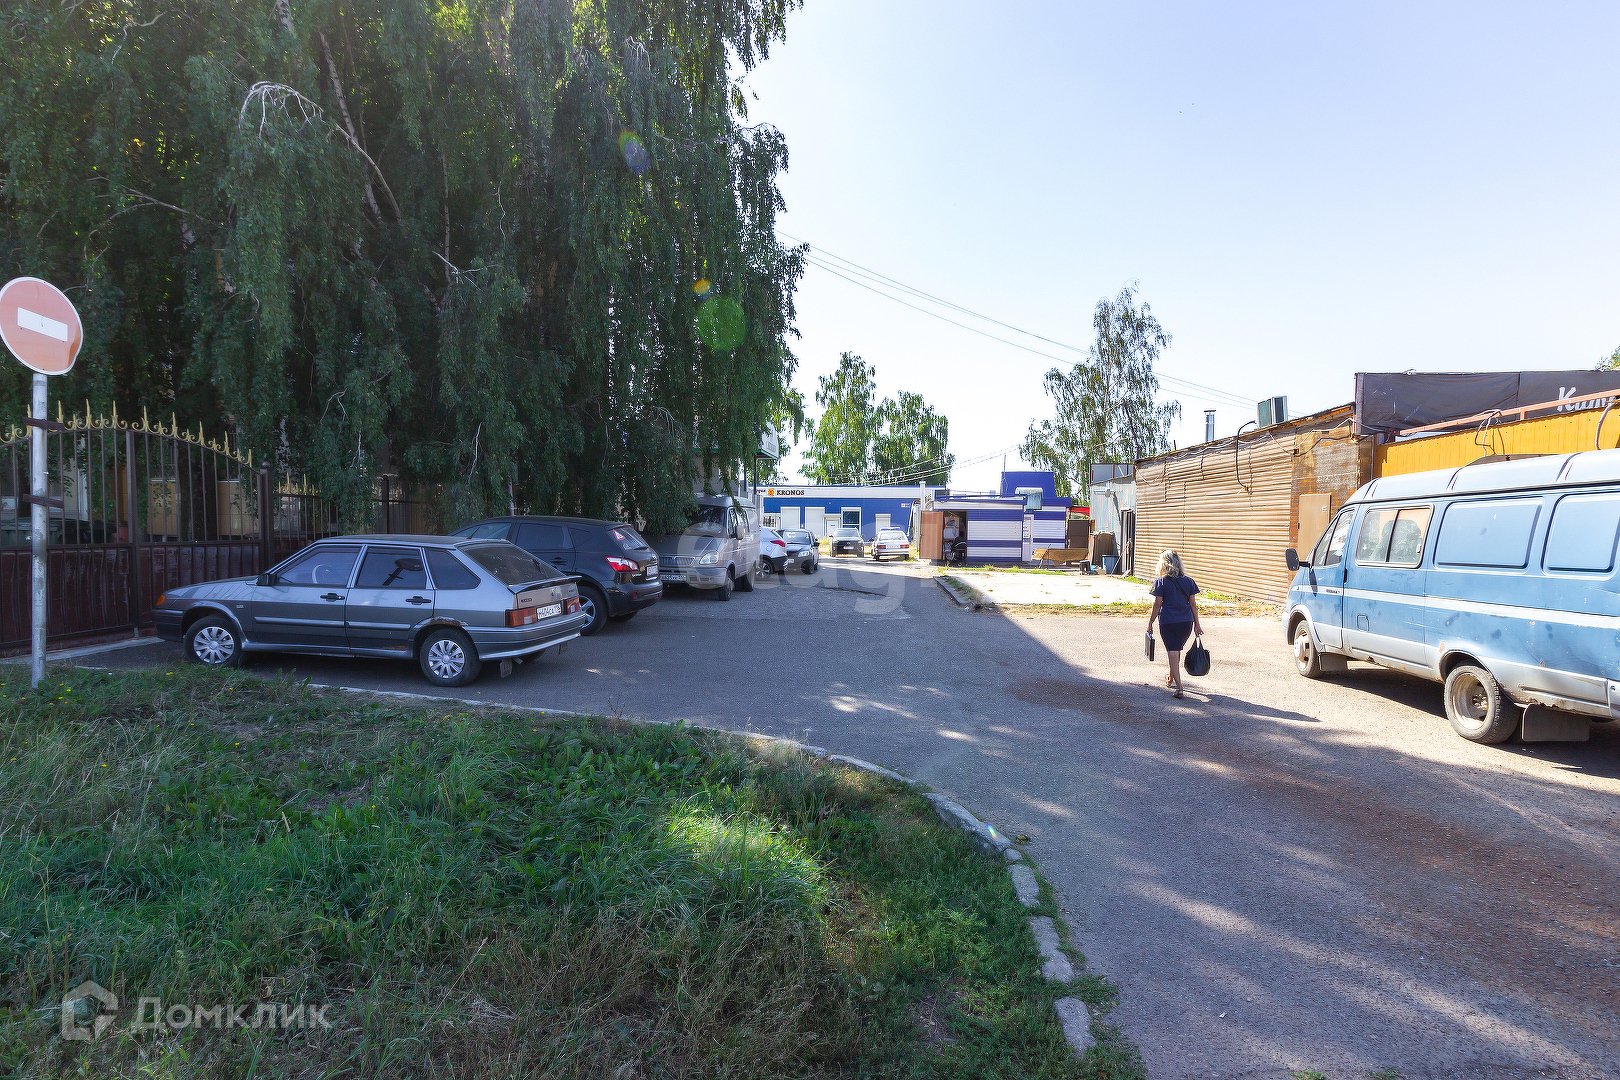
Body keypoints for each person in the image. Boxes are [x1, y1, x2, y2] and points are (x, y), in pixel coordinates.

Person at [1147, 549, 1203, 698]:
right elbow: (1193, 604)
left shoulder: (1161, 582)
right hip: (1186, 623)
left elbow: (1157, 604)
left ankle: (1179, 687)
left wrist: (1151, 622)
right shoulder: (1189, 581)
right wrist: (1197, 625)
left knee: (1172, 651)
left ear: (1163, 563)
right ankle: (1171, 677)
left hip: (1168, 622)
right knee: (1176, 650)